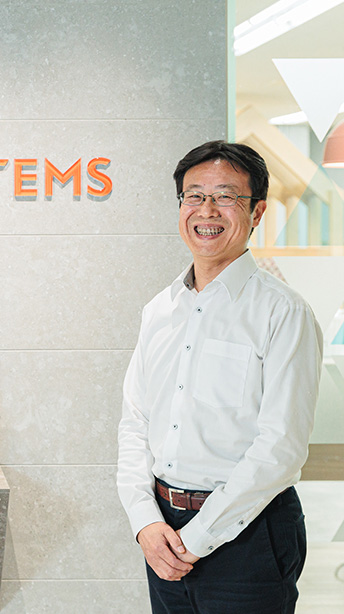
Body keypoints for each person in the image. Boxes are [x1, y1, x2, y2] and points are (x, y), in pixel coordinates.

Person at [117, 141, 322, 613]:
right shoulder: (160, 310)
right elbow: (135, 423)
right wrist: (144, 521)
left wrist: (199, 537)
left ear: (257, 212)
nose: (206, 210)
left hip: (250, 535)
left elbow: (281, 447)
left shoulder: (282, 312)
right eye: (194, 196)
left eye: (226, 196)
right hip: (163, 531)